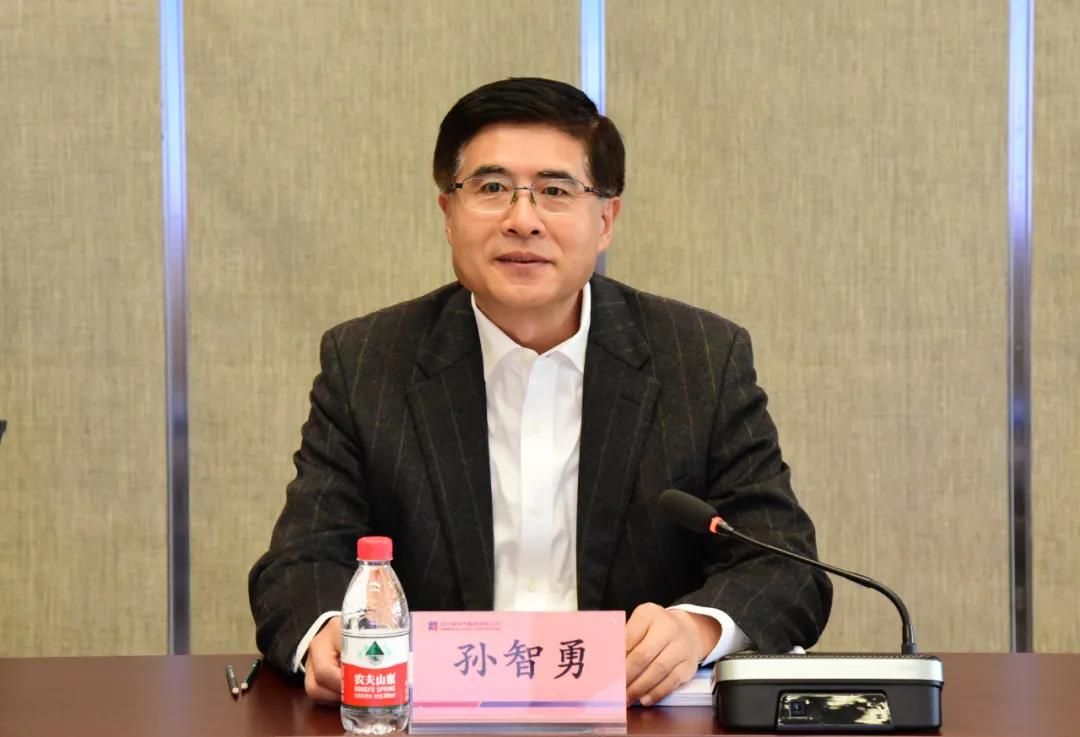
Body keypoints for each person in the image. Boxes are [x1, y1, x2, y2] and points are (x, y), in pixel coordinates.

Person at [249, 77, 832, 707]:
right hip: (433, 719)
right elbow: (300, 563)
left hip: (635, 717)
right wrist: (329, 633)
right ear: (448, 215)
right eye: (491, 188)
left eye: (555, 191)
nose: (522, 220)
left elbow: (784, 566)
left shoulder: (700, 359)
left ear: (605, 220)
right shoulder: (368, 361)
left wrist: (696, 630)